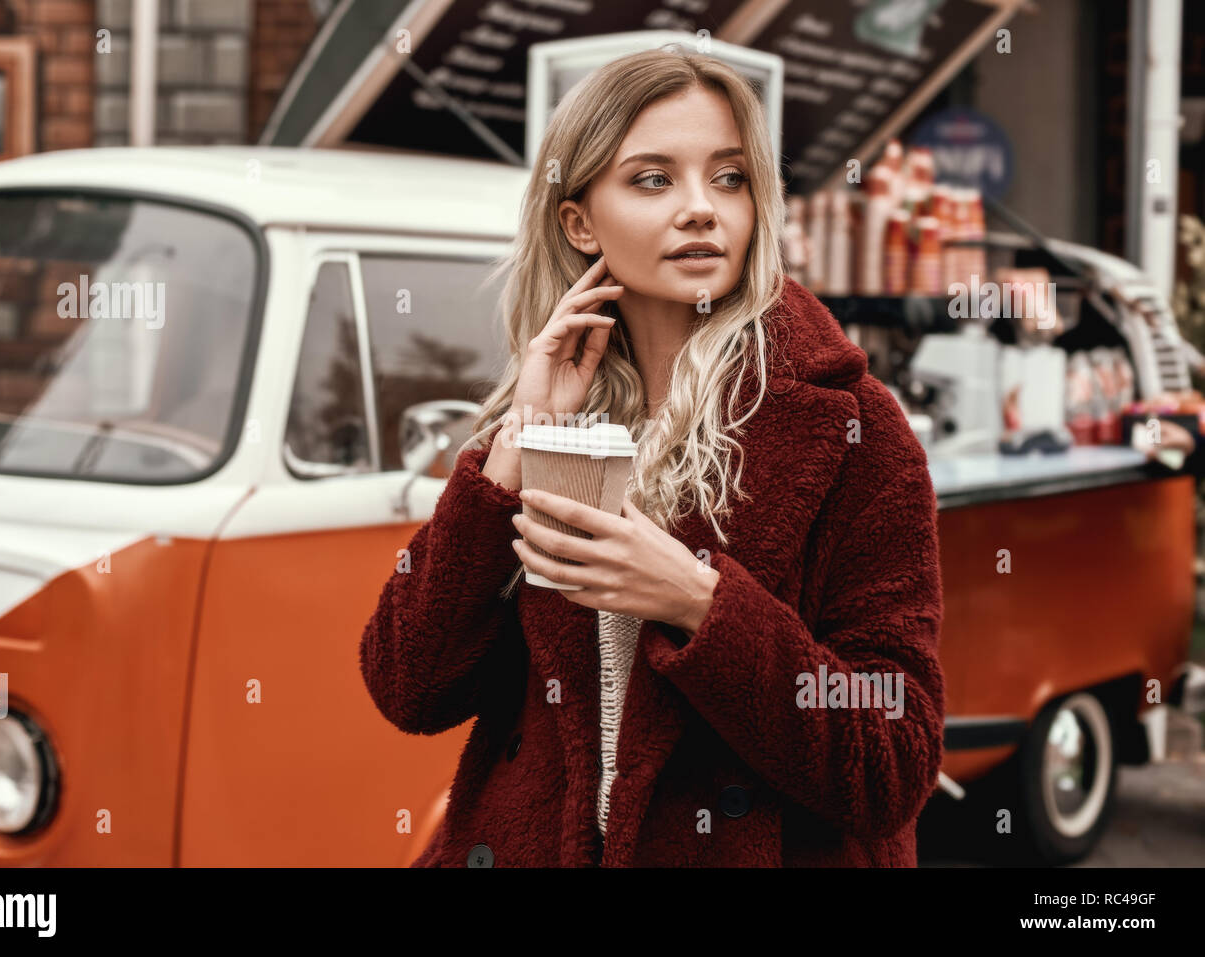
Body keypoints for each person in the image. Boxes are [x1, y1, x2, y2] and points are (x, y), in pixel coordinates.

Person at [359, 49, 945, 867]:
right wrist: (514, 447)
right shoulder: (545, 415)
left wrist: (700, 604)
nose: (701, 209)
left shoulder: (853, 428)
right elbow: (408, 685)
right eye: (652, 179)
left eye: (731, 178)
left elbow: (894, 762)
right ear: (579, 222)